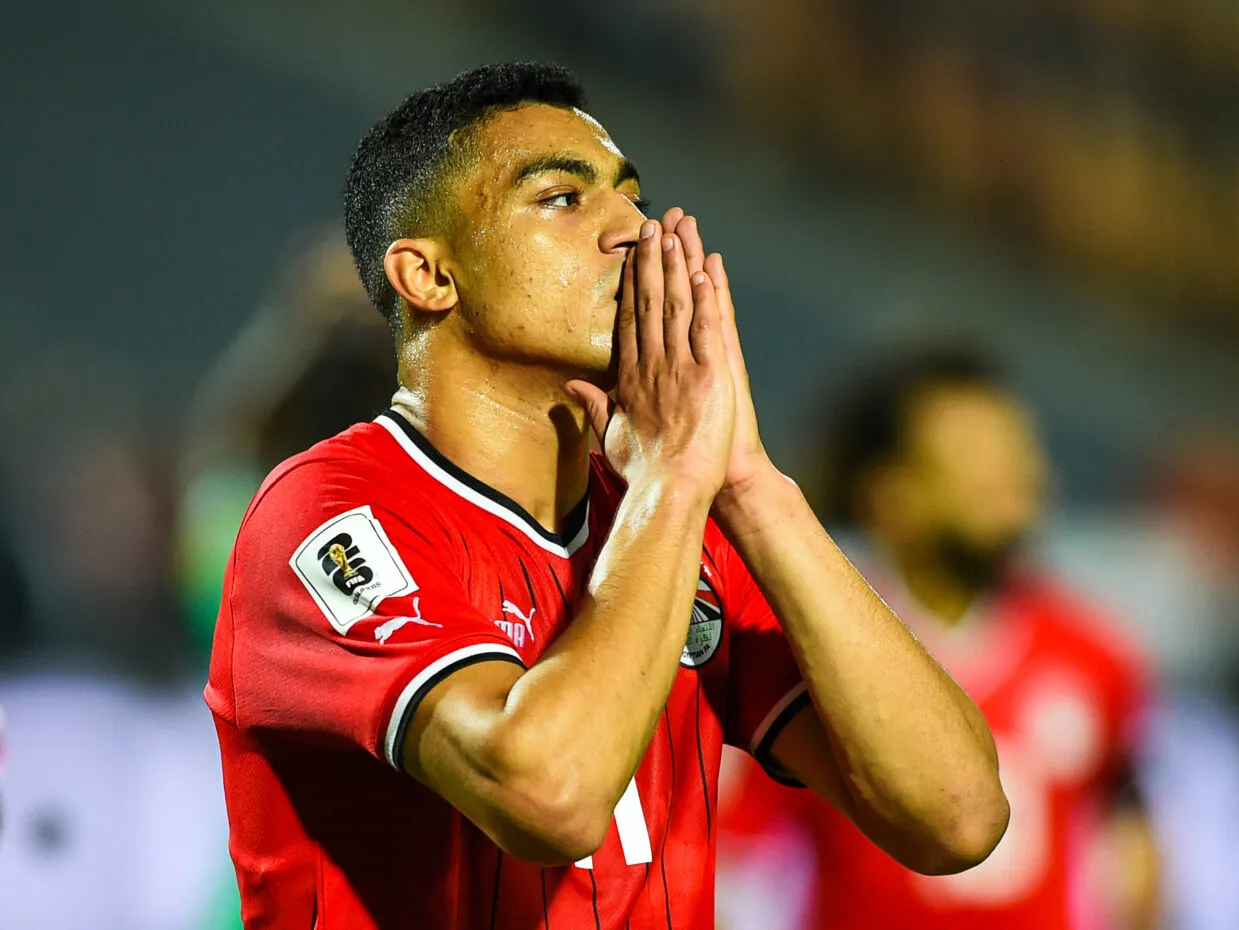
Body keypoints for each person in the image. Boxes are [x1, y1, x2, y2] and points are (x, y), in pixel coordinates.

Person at [206, 62, 1009, 930]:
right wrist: (672, 482)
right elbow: (548, 795)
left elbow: (958, 818)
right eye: (561, 198)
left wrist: (749, 483)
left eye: (632, 196)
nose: (632, 229)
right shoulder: (330, 514)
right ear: (429, 276)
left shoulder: (675, 510)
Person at [717, 348, 1157, 930]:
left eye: (1016, 445)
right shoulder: (818, 651)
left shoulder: (1096, 655)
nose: (1013, 471)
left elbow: (1129, 842)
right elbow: (736, 855)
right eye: (975, 452)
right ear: (892, 494)